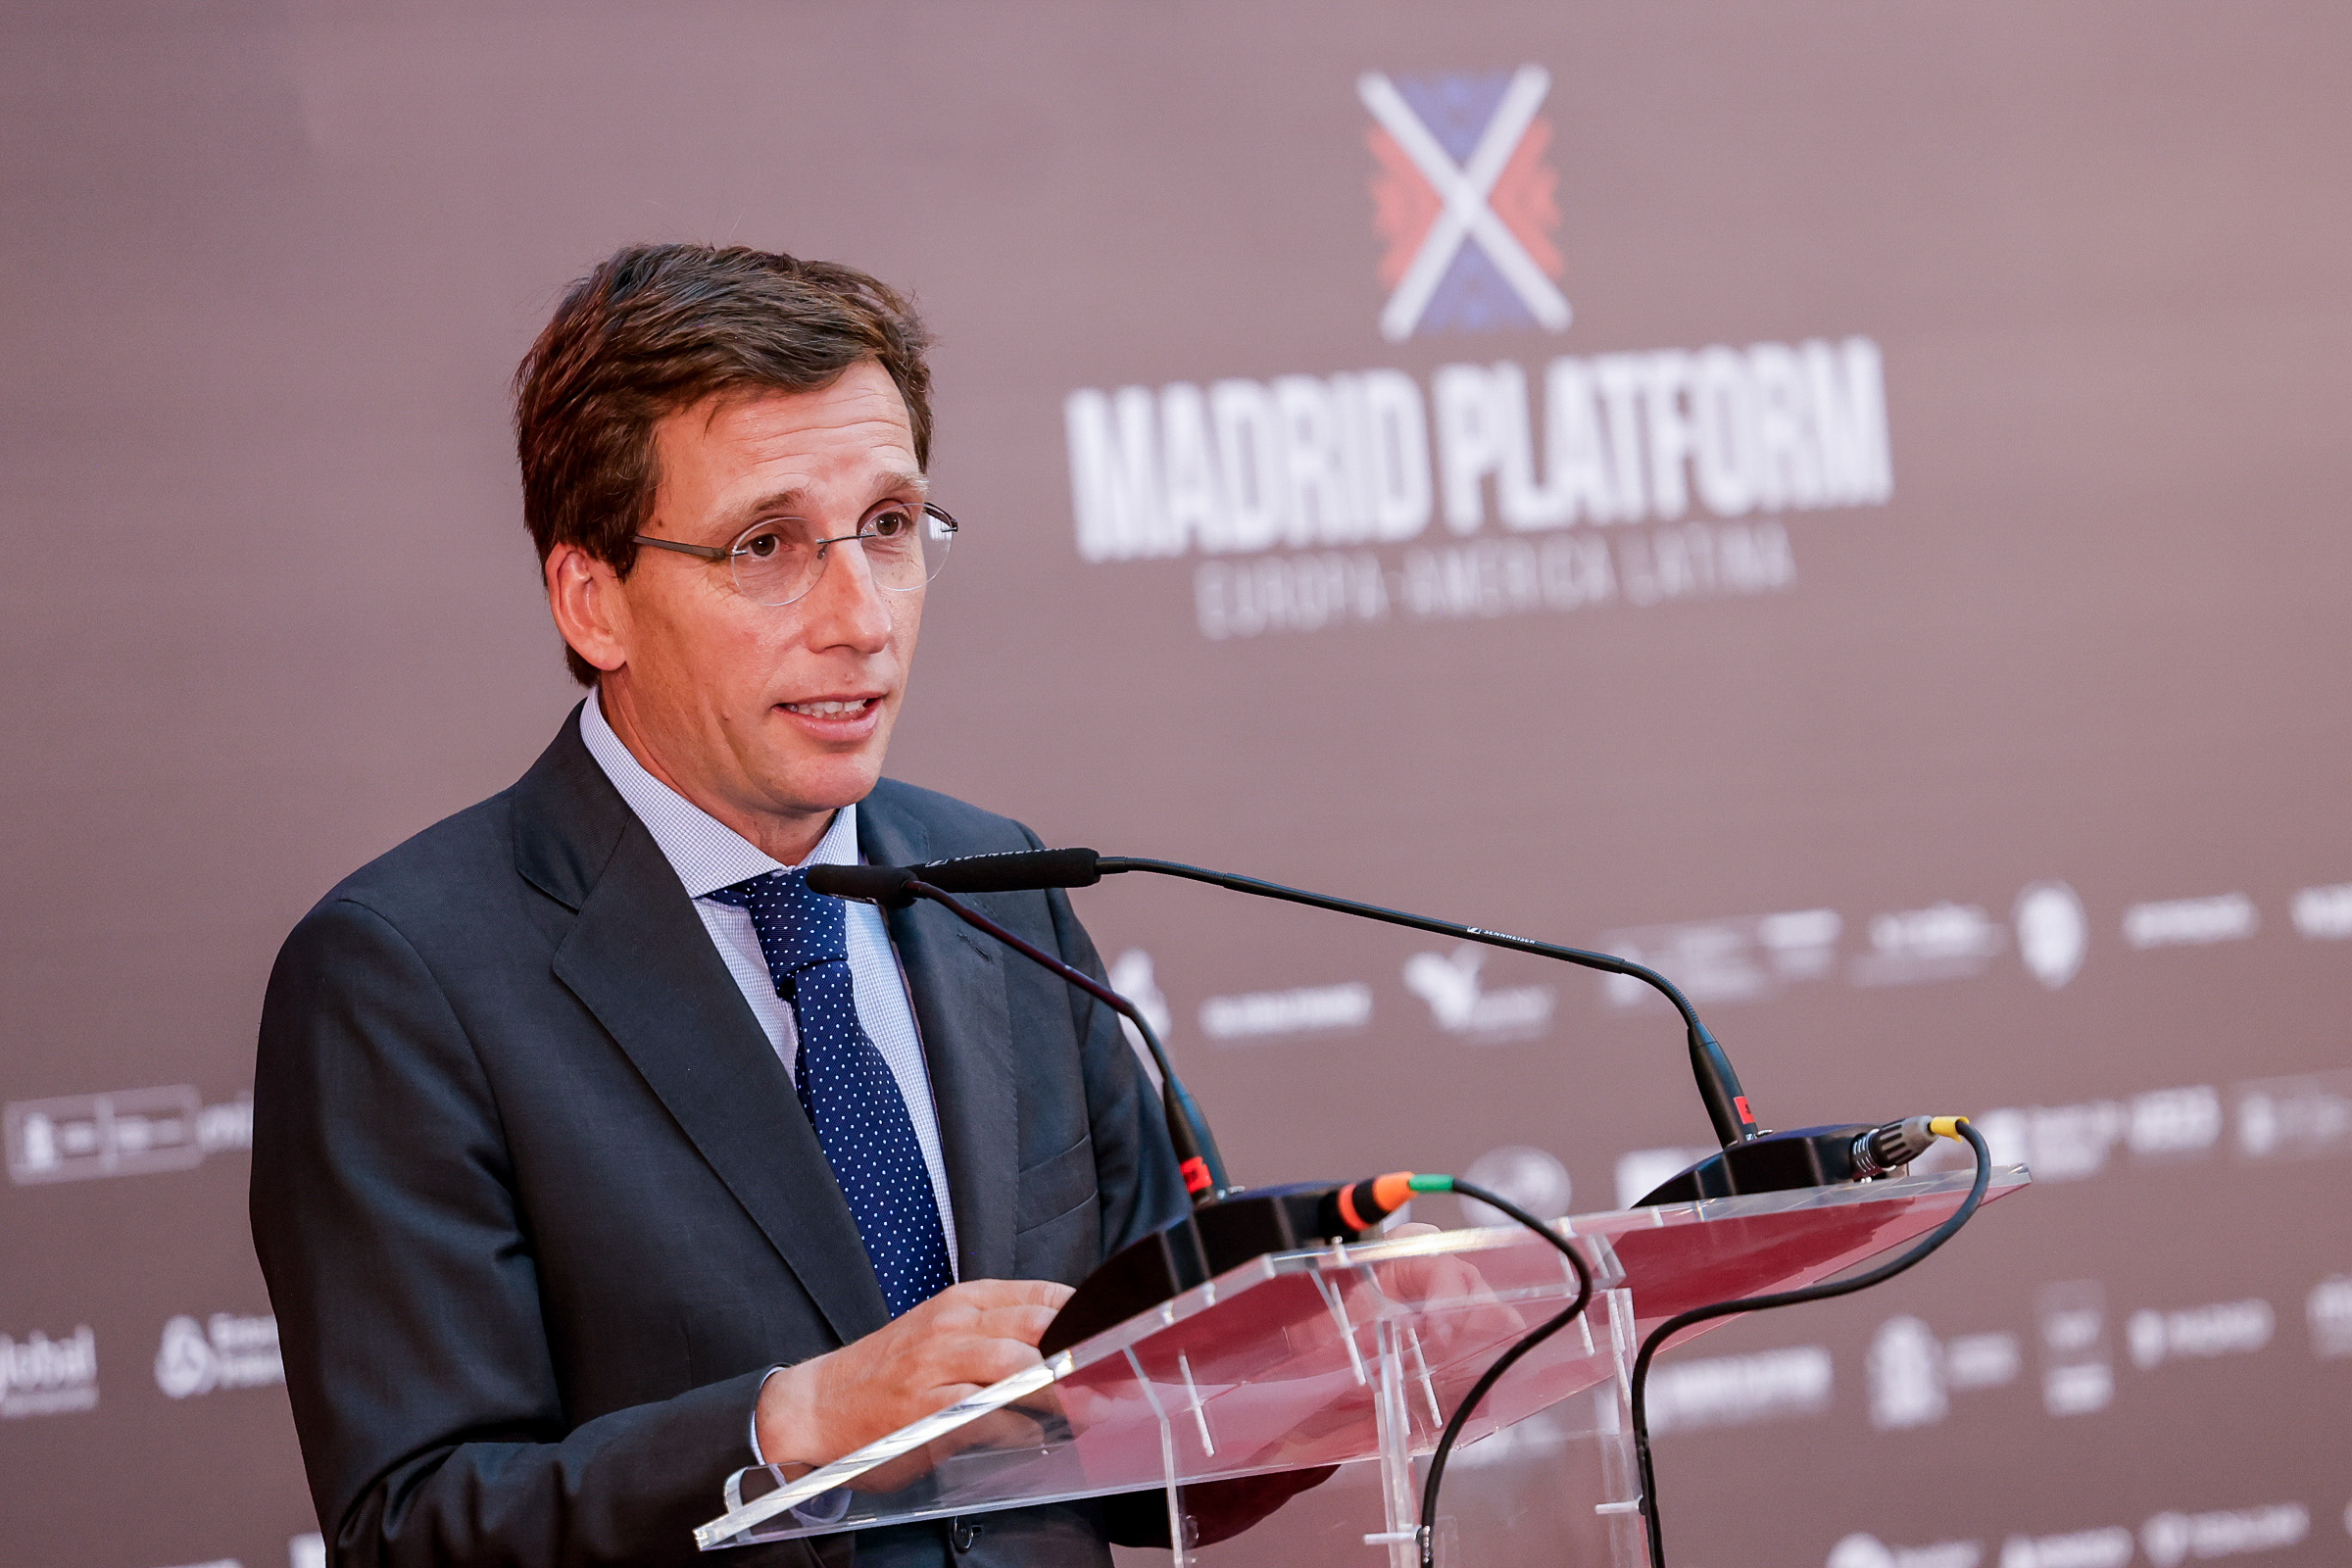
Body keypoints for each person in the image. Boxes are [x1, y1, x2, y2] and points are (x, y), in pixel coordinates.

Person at [250, 243, 1190, 1568]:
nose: (862, 618)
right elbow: (419, 1527)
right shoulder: (405, 977)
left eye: (890, 527)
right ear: (594, 601)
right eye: (767, 546)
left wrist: (1335, 1338)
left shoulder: (1001, 887)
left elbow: (1173, 1414)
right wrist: (789, 1424)